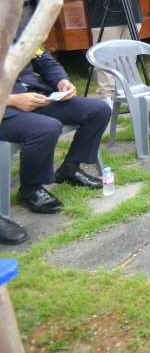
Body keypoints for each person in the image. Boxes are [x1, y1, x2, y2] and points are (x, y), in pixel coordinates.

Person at [0, 25, 111, 242]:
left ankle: (70, 168)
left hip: (36, 96)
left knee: (98, 109)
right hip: (6, 110)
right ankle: (30, 189)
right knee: (46, 127)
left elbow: (45, 60)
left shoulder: (15, 27)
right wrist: (11, 100)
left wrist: (61, 81)